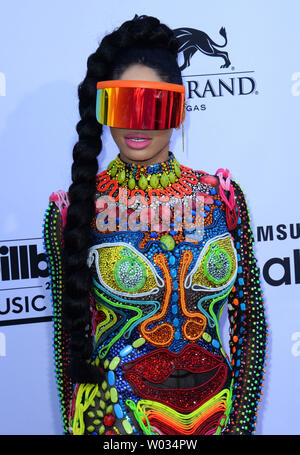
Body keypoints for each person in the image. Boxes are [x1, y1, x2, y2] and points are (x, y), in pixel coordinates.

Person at [43, 14, 267, 436]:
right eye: (121, 104)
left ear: (179, 107)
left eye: (154, 104)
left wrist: (240, 423)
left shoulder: (222, 198)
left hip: (214, 420)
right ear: (101, 107)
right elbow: (66, 346)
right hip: (111, 424)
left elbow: (249, 321)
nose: (136, 123)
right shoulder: (72, 210)